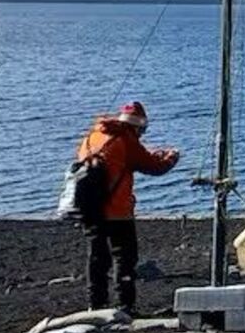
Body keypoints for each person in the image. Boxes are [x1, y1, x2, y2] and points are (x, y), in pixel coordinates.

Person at [74, 101, 180, 312]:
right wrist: (171, 158)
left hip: (88, 208)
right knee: (124, 257)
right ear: (138, 126)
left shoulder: (93, 136)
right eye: (142, 130)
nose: (141, 135)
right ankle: (125, 306)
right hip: (117, 211)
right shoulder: (126, 140)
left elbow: (116, 161)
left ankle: (96, 304)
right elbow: (154, 167)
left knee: (97, 258)